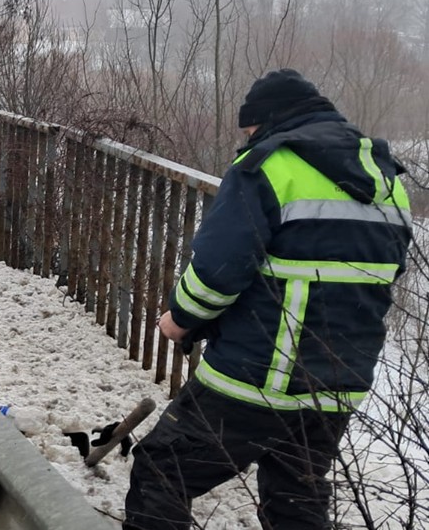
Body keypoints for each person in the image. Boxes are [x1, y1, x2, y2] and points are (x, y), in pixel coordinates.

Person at [123, 69, 411, 530]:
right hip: (338, 385)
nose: (248, 138)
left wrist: (180, 318)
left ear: (270, 119)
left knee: (162, 471)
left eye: (250, 129)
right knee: (294, 498)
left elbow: (217, 274)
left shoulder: (269, 168)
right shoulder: (388, 181)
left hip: (257, 377)